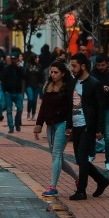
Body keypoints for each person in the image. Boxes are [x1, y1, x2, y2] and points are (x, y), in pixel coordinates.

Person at [67, 52, 109, 200]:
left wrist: (99, 129)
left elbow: (100, 108)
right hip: (76, 125)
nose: (72, 69)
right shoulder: (73, 83)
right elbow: (70, 105)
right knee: (80, 159)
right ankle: (102, 180)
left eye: (74, 66)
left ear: (83, 66)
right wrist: (69, 124)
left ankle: (81, 190)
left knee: (81, 157)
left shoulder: (94, 83)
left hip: (88, 126)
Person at [33, 59, 78, 196]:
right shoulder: (48, 86)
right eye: (51, 72)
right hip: (50, 124)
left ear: (63, 73)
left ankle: (52, 186)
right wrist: (39, 124)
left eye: (56, 72)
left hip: (63, 123)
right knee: (56, 156)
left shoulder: (68, 87)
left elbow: (72, 107)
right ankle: (78, 178)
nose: (53, 74)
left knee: (57, 154)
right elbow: (44, 106)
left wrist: (70, 125)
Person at [0, 53, 27, 132]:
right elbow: (3, 80)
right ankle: (11, 127)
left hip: (18, 92)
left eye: (15, 59)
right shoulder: (6, 68)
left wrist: (19, 68)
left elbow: (25, 76)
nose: (13, 60)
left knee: (20, 109)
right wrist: (4, 90)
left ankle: (17, 122)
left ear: (17, 59)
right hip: (8, 92)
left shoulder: (20, 68)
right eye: (12, 59)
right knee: (9, 110)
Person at [23, 52, 43, 121]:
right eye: (36, 58)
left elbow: (41, 76)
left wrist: (41, 84)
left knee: (34, 100)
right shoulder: (27, 66)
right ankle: (28, 112)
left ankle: (33, 114)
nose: (37, 59)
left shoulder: (39, 66)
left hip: (37, 85)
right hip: (29, 85)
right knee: (30, 98)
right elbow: (25, 76)